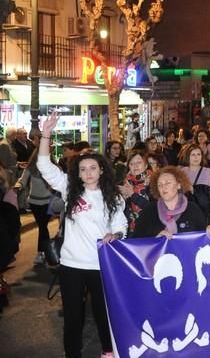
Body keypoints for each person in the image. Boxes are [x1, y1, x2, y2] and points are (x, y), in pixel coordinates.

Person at [37, 112, 127, 358]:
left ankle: (108, 351)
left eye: (93, 168)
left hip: (101, 266)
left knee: (103, 313)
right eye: (83, 169)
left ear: (101, 171)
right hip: (71, 265)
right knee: (73, 316)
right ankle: (72, 353)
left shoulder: (114, 197)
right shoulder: (70, 190)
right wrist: (47, 134)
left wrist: (116, 235)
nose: (88, 172)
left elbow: (122, 224)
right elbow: (44, 166)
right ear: (77, 173)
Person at [131, 167, 210, 238]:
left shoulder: (192, 208)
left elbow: (202, 236)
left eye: (168, 183)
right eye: (160, 185)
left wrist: (209, 231)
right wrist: (155, 239)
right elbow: (137, 240)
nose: (164, 187)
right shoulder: (149, 210)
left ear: (178, 185)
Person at [16, 145, 54, 264]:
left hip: (49, 202)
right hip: (34, 202)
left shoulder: (52, 166)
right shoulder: (31, 167)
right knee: (43, 226)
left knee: (43, 227)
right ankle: (47, 253)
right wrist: (17, 187)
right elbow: (23, 180)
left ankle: (42, 253)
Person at [179, 143, 210, 226]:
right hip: (186, 211)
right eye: (193, 155)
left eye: (198, 154)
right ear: (188, 156)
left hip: (203, 211)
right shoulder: (182, 172)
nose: (196, 157)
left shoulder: (207, 172)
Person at [119, 150, 152, 235]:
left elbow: (153, 208)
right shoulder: (125, 183)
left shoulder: (154, 183)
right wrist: (123, 199)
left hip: (150, 228)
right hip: (130, 230)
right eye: (132, 163)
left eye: (139, 162)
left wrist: (132, 195)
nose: (135, 166)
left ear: (146, 165)